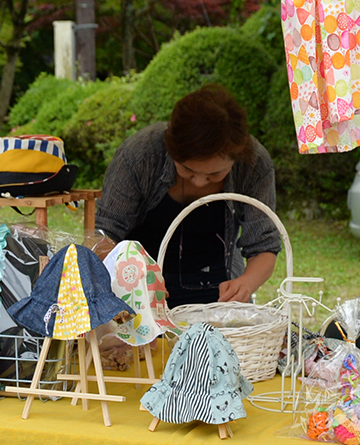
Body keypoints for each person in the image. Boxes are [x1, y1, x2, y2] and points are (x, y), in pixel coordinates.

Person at [93, 85, 281, 307]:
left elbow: (263, 245)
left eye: (214, 174)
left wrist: (245, 283)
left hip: (218, 289)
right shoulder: (140, 156)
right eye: (187, 170)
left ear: (236, 157)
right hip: (139, 289)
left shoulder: (254, 164)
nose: (199, 181)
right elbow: (105, 235)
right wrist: (132, 284)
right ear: (171, 151)